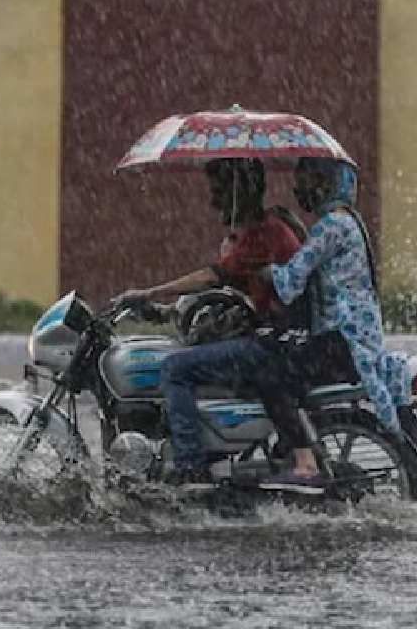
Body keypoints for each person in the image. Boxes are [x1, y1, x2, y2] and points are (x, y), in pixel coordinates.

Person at [113, 157, 305, 485]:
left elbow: (213, 277)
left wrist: (150, 293)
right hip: (274, 337)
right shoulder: (260, 230)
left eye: (219, 190)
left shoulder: (264, 233)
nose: (213, 199)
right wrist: (165, 312)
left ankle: (190, 469)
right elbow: (224, 294)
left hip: (272, 344)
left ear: (239, 189)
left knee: (175, 368)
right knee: (185, 354)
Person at [256, 156, 411, 492]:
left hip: (343, 340)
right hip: (354, 338)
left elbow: (294, 277)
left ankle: (305, 463)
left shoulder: (332, 226)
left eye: (308, 182)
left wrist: (266, 272)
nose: (301, 190)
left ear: (328, 184)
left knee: (271, 376)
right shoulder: (349, 222)